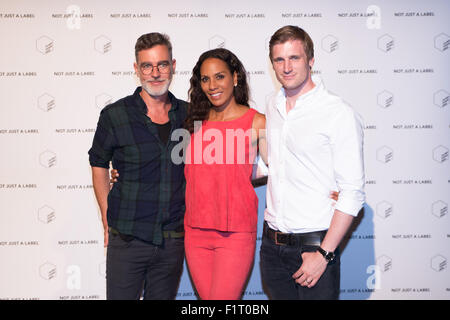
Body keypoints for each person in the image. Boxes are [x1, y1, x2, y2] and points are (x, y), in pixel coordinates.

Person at [260, 25, 365, 300]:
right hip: (271, 246)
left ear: (311, 61)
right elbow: (277, 163)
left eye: (294, 58)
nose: (286, 67)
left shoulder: (337, 112)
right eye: (279, 60)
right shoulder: (272, 105)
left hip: (314, 246)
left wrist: (324, 254)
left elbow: (352, 192)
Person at [88, 32, 187, 300]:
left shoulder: (189, 116)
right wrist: (106, 217)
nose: (155, 73)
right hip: (128, 238)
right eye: (147, 65)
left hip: (172, 240)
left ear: (173, 66)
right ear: (136, 69)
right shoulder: (115, 115)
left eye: (162, 64)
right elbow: (98, 162)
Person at [183, 48, 266, 300]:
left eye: (219, 77)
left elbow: (283, 169)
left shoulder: (257, 122)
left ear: (235, 77)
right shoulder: (193, 121)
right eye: (205, 79)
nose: (212, 85)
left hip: (235, 233)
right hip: (194, 232)